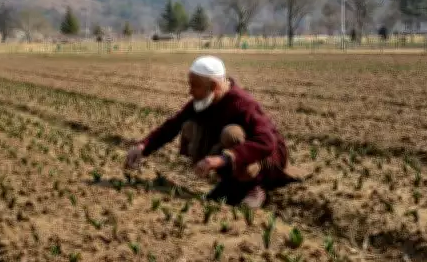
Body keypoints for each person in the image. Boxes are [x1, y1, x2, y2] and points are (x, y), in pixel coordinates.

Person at [125, 55, 299, 208]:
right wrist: (142, 147)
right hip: (240, 156)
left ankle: (254, 187)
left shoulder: (242, 104)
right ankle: (231, 183)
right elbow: (172, 125)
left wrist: (223, 158)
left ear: (214, 85)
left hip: (269, 158)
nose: (190, 91)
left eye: (195, 86)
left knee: (231, 134)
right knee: (190, 126)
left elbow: (267, 141)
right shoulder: (203, 102)